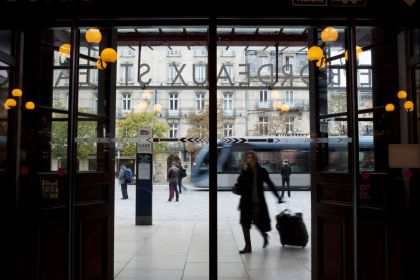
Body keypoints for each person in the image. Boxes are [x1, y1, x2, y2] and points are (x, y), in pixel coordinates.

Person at [234, 150, 283, 254]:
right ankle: (248, 247)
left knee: (257, 221)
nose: (250, 159)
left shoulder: (262, 171)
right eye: (248, 157)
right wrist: (244, 171)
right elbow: (239, 183)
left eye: (252, 157)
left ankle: (265, 236)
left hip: (258, 202)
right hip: (246, 202)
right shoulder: (245, 171)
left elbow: (270, 184)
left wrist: (278, 197)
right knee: (245, 224)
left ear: (256, 159)